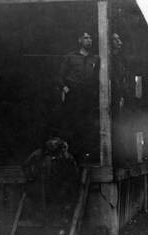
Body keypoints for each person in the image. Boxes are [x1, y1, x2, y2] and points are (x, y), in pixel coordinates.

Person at [58, 32, 100, 163]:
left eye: (90, 38)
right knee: (73, 125)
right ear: (80, 40)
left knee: (87, 125)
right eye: (86, 38)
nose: (89, 40)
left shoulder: (95, 59)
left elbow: (98, 78)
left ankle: (85, 156)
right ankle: (72, 157)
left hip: (88, 97)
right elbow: (60, 76)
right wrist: (64, 88)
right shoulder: (71, 57)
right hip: (74, 96)